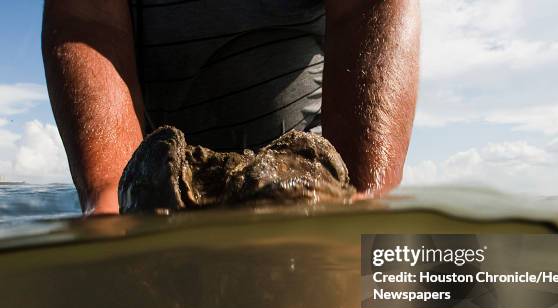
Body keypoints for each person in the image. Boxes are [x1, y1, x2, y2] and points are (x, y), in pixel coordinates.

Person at [42, 0, 420, 214]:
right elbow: (86, 18)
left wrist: (367, 198)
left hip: (312, 180)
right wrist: (112, 199)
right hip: (160, 183)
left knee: (441, 291)